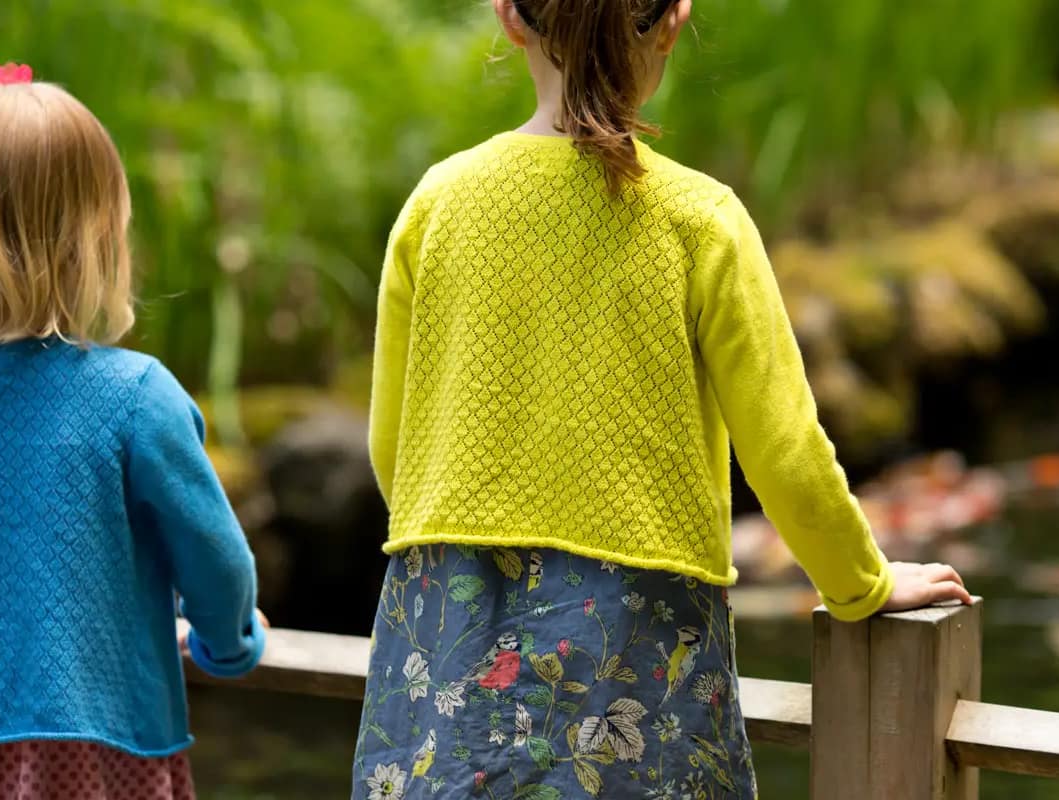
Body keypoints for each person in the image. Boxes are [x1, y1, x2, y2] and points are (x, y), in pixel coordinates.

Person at [352, 1, 973, 797]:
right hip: (629, 636)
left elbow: (390, 444)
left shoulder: (436, 205)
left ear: (510, 17)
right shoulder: (699, 219)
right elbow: (784, 449)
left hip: (445, 619)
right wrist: (863, 585)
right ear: (674, 20)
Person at [0, 64, 266, 800]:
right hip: (101, 753)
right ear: (99, 235)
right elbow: (218, 563)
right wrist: (230, 645)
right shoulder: (137, 398)